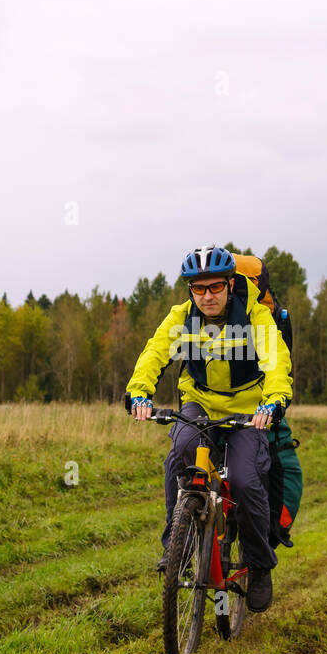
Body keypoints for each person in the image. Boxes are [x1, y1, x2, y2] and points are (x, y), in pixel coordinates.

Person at [124, 245, 292, 613]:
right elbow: (154, 353)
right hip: (200, 403)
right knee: (181, 452)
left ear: (231, 284)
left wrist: (274, 400)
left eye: (215, 287)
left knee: (247, 481)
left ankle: (259, 565)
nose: (207, 296)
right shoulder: (181, 317)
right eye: (199, 289)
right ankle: (177, 546)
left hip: (249, 410)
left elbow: (276, 361)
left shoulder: (256, 317)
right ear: (190, 291)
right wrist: (138, 393)